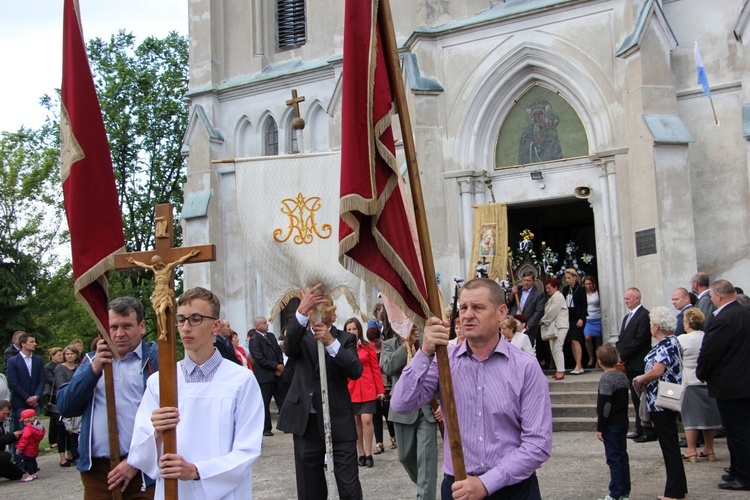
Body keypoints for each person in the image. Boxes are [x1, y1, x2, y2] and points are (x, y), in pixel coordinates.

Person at [392, 278, 552, 499]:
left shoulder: (525, 367)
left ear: (501, 312)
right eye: (463, 308)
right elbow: (401, 404)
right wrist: (425, 352)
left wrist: (486, 483)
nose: (467, 315)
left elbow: (538, 444)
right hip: (458, 488)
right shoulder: (444, 363)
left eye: (477, 307)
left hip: (513, 489)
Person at [128, 286, 264, 499]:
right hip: (174, 491)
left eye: (196, 319)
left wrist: (197, 471)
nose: (186, 327)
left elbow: (247, 450)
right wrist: (155, 433)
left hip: (225, 492)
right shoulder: (160, 383)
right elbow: (139, 455)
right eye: (181, 320)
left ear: (215, 325)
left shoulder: (241, 380)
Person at [56, 296, 159, 499]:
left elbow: (172, 414)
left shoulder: (155, 358)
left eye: (127, 326)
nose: (119, 334)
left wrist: (135, 461)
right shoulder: (91, 361)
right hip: (99, 472)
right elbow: (65, 406)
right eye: (113, 327)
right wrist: (93, 370)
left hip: (145, 471)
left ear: (142, 326)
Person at [276, 284, 364, 500]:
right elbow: (289, 348)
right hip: (307, 422)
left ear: (333, 315)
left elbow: (355, 370)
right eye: (315, 308)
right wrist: (301, 313)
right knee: (309, 488)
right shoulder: (301, 337)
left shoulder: (345, 339)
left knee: (349, 486)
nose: (320, 313)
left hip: (338, 421)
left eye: (324, 309)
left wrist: (330, 343)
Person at [696, 279, 750, 491]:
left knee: (737, 432)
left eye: (711, 297)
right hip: (743, 382)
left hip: (731, 384)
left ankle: (744, 476)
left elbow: (710, 351)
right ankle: (737, 470)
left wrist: (701, 372)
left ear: (718, 296)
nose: (711, 301)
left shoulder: (724, 318)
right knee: (740, 430)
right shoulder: (745, 313)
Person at [633, 307, 687, 500]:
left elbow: (657, 371)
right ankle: (679, 488)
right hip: (663, 397)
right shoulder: (672, 341)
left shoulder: (666, 344)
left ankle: (674, 492)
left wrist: (640, 379)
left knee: (669, 446)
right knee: (669, 444)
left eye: (650, 323)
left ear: (656, 325)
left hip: (661, 400)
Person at [382, 324, 439, 500]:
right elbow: (388, 368)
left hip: (426, 409)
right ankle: (424, 483)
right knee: (405, 457)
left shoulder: (427, 339)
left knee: (427, 460)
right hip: (402, 411)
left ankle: (425, 492)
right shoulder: (390, 344)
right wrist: (405, 346)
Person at [677, 307, 720, 462]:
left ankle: (691, 450)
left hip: (689, 381)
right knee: (709, 417)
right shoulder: (708, 337)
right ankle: (709, 449)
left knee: (690, 418)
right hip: (708, 381)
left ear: (688, 322)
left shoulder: (682, 339)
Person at [615, 288, 655, 443]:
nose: (626, 301)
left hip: (639, 361)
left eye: (629, 299)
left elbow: (639, 339)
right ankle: (639, 428)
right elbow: (622, 338)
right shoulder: (627, 317)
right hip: (629, 363)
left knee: (642, 397)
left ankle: (648, 429)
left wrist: (623, 356)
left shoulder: (645, 315)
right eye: (625, 299)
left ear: (637, 299)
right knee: (635, 397)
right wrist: (619, 353)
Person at [344, 318, 385, 468]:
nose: (352, 332)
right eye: (349, 329)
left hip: (368, 388)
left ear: (359, 330)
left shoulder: (368, 347)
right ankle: (360, 452)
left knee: (367, 419)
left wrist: (380, 389)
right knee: (356, 422)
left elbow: (375, 368)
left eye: (354, 329)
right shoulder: (344, 347)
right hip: (351, 389)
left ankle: (368, 453)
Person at [595, 345, 631, 500]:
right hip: (622, 420)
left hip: (611, 424)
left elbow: (606, 405)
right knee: (622, 456)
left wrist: (600, 427)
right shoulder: (622, 376)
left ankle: (615, 492)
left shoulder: (606, 379)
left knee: (614, 458)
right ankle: (624, 491)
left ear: (599, 362)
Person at [248, 316, 286, 436]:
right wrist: (275, 366)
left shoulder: (271, 336)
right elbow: (259, 359)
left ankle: (286, 424)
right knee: (265, 402)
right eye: (264, 323)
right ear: (258, 326)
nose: (267, 325)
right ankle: (266, 428)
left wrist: (280, 364)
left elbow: (279, 352)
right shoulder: (254, 340)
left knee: (283, 400)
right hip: (264, 376)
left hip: (277, 375)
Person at [6, 332, 45, 431]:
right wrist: (28, 398)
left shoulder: (38, 360)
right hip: (20, 402)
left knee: (35, 429)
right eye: (32, 342)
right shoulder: (13, 361)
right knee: (21, 430)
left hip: (35, 402)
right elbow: (13, 382)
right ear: (23, 344)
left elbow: (41, 380)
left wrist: (36, 396)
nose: (35, 344)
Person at [366, 327, 395, 456]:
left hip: (387, 384)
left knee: (388, 413)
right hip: (374, 386)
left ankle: (393, 438)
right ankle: (379, 443)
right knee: (376, 415)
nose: (374, 344)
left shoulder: (386, 346)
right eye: (371, 341)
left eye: (376, 340)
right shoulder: (368, 348)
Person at [55, 345, 80, 467]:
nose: (69, 356)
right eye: (67, 354)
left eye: (72, 354)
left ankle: (74, 454)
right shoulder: (60, 368)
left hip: (78, 398)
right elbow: (61, 384)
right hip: (65, 397)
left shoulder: (80, 367)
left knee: (76, 431)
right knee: (63, 430)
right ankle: (62, 457)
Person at [540, 277, 569, 380]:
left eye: (549, 288)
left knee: (557, 347)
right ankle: (559, 369)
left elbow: (553, 311)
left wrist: (543, 320)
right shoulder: (552, 297)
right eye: (546, 288)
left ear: (555, 287)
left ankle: (561, 371)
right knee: (553, 348)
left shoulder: (557, 296)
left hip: (560, 325)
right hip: (554, 325)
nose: (547, 290)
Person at [509, 271, 546, 349]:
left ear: (533, 281)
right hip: (514, 322)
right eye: (524, 280)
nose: (526, 283)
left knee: (526, 350)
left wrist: (529, 325)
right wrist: (512, 293)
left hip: (527, 325)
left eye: (528, 281)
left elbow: (539, 311)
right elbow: (509, 304)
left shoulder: (538, 294)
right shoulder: (517, 291)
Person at [562, 268, 587, 374]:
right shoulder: (565, 289)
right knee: (571, 341)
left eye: (569, 278)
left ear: (574, 278)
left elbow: (584, 305)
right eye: (566, 278)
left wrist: (581, 318)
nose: (567, 280)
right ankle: (578, 364)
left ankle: (579, 364)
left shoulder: (580, 289)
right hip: (568, 317)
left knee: (576, 340)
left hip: (578, 317)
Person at [15, 408, 45, 482]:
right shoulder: (37, 426)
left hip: (28, 449)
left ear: (27, 419)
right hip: (34, 447)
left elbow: (24, 440)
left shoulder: (28, 428)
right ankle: (34, 473)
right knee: (33, 460)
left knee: (28, 462)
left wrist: (19, 449)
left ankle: (31, 474)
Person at [44, 347, 63, 450]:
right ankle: (52, 440)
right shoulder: (48, 367)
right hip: (53, 393)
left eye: (61, 355)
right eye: (58, 355)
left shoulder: (62, 366)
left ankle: (59, 437)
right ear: (52, 356)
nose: (60, 357)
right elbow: (51, 380)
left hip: (60, 392)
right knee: (54, 416)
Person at [0, 399, 24, 481]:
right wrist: (12, 436)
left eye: (7, 414)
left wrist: (16, 436)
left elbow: (4, 438)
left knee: (17, 474)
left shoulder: (3, 422)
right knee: (6, 456)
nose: (6, 416)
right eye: (4, 414)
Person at [583, 276, 603, 368]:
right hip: (588, 319)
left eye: (590, 283)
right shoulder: (583, 293)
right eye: (586, 284)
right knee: (587, 337)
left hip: (597, 317)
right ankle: (591, 358)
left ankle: (598, 360)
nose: (588, 286)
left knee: (598, 340)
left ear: (593, 284)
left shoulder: (598, 292)